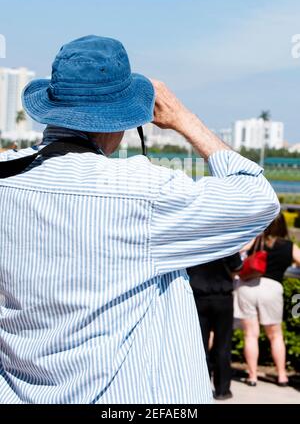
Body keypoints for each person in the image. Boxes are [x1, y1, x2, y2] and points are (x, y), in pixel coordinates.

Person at [0, 35, 279, 404]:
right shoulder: (142, 192)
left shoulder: (7, 180)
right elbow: (259, 200)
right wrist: (183, 119)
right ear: (122, 118)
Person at [235, 212, 300, 387]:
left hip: (247, 287)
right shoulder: (288, 246)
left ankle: (253, 376)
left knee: (250, 335)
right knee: (276, 335)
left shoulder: (255, 240)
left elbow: (237, 253)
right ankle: (281, 376)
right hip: (272, 289)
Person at [188, 253, 242, 401]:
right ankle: (222, 390)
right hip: (222, 296)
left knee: (199, 346)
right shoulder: (225, 240)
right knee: (223, 345)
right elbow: (237, 267)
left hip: (198, 297)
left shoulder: (194, 241)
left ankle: (200, 387)